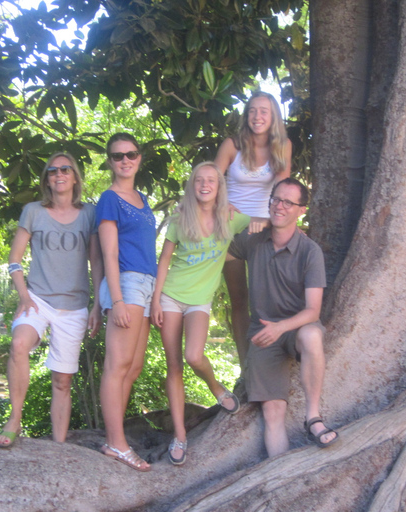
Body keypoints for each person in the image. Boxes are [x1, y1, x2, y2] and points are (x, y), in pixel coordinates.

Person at [0, 152, 103, 448]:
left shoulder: (90, 214)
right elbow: (14, 259)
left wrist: (97, 304)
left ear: (75, 176)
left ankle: (58, 447)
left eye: (65, 169)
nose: (59, 174)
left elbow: (96, 260)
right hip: (38, 300)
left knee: (62, 382)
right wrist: (23, 296)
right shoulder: (33, 211)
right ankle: (15, 418)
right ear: (46, 179)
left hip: (75, 306)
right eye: (52, 171)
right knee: (18, 345)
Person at [228, 177, 338, 457]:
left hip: (295, 326)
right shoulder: (253, 240)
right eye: (276, 199)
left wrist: (281, 328)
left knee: (312, 334)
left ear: (301, 210)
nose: (280, 206)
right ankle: (278, 474)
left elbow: (313, 311)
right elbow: (221, 242)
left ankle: (313, 417)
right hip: (262, 331)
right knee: (272, 411)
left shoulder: (309, 251)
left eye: (289, 202)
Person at [150, 162, 250, 465]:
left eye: (211, 180)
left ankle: (215, 387)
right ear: (192, 186)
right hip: (170, 296)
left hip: (199, 301)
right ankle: (179, 435)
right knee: (175, 365)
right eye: (199, 180)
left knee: (195, 356)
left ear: (219, 187)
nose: (205, 185)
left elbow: (265, 221)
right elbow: (165, 261)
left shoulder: (230, 218)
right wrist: (155, 300)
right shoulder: (180, 219)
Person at [214, 91, 292, 369]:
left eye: (264, 112)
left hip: (264, 226)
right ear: (246, 116)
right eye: (252, 111)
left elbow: (283, 192)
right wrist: (222, 204)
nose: (257, 117)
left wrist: (269, 220)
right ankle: (245, 365)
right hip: (231, 230)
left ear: (273, 118)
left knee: (265, 299)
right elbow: (211, 181)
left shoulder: (282, 146)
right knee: (239, 299)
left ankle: (269, 362)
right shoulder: (232, 145)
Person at [96, 133, 157, 472]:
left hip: (146, 285)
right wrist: (116, 299)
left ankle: (113, 439)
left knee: (133, 368)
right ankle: (118, 444)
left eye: (130, 154)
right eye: (117, 156)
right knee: (117, 366)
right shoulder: (110, 198)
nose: (124, 160)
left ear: (139, 157)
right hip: (127, 284)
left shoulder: (142, 198)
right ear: (110, 161)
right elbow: (108, 251)